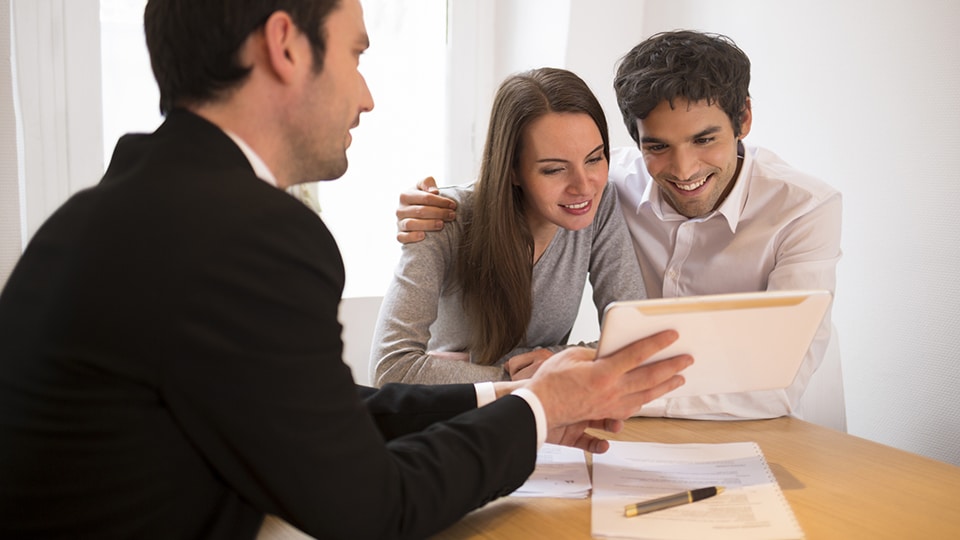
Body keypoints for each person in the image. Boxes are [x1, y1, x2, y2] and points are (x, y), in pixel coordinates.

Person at [0, 1, 694, 538]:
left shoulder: (120, 209)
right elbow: (373, 509)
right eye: (356, 54)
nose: (366, 96)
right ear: (285, 45)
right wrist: (545, 408)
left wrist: (516, 399)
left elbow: (330, 409)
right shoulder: (246, 234)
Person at [395, 30, 842, 421]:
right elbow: (517, 178)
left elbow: (774, 383)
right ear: (635, 140)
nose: (684, 170)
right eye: (658, 146)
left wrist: (579, 378)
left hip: (753, 421)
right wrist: (446, 207)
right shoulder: (607, 187)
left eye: (705, 139)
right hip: (587, 419)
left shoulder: (803, 210)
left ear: (742, 119)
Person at [371, 67, 645, 387]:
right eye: (555, 170)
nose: (584, 186)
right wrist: (529, 376)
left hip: (538, 415)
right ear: (512, 170)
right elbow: (390, 370)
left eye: (595, 159)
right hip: (456, 417)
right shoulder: (442, 217)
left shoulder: (602, 203)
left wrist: (558, 360)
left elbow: (635, 342)